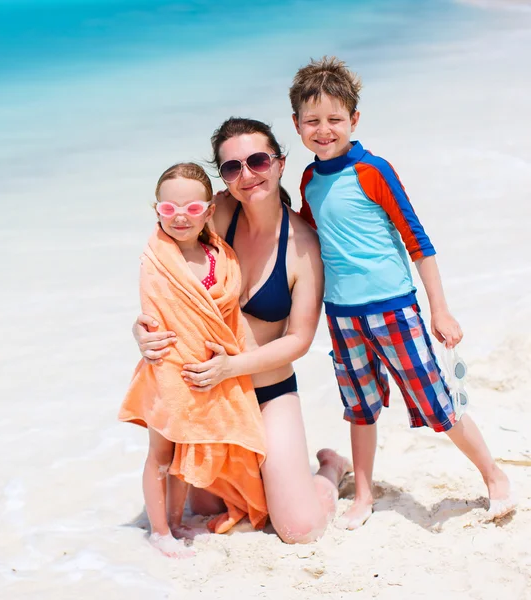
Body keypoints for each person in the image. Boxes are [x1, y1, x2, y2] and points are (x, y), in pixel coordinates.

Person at [290, 56, 516, 529]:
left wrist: (441, 310)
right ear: (296, 125)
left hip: (395, 308)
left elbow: (418, 242)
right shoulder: (309, 181)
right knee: (360, 407)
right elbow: (309, 243)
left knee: (437, 403)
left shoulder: (374, 171)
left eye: (335, 119)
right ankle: (365, 495)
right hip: (343, 316)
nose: (324, 129)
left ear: (354, 119)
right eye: (312, 121)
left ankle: (494, 477)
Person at [133, 118, 351, 544]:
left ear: (280, 163)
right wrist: (140, 330)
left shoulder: (303, 244)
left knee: (300, 529)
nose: (247, 175)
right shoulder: (216, 214)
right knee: (206, 508)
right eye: (233, 167)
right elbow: (164, 273)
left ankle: (330, 470)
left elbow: (299, 340)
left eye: (257, 161)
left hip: (268, 392)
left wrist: (231, 366)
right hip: (213, 396)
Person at [120, 163, 270, 557]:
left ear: (207, 211)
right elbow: (154, 314)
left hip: (207, 370)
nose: (180, 217)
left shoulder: (221, 256)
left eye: (191, 208)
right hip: (168, 369)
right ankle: (158, 531)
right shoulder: (156, 258)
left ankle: (175, 519)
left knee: (184, 454)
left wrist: (234, 358)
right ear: (156, 211)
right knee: (160, 456)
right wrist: (141, 332)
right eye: (169, 209)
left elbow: (229, 316)